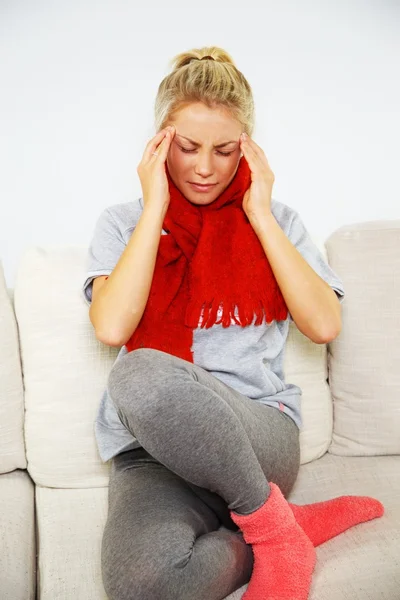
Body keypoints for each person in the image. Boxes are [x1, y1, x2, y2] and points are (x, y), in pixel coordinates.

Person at [83, 46, 384, 600]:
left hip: (256, 436)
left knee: (138, 375)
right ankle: (285, 526)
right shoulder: (123, 222)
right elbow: (111, 326)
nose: (204, 167)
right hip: (152, 453)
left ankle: (269, 529)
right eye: (187, 147)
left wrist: (261, 214)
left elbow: (323, 324)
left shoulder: (279, 219)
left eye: (224, 151)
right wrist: (154, 209)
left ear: (246, 148)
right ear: (157, 145)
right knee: (142, 584)